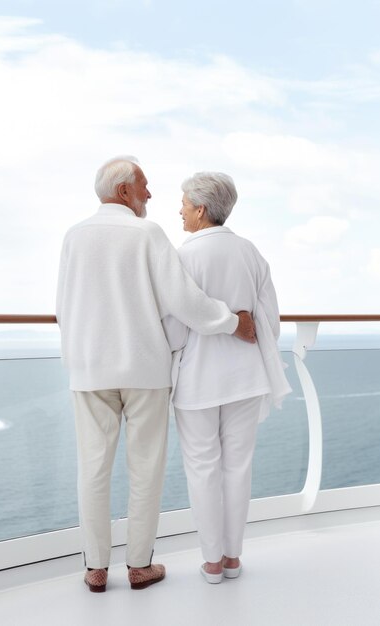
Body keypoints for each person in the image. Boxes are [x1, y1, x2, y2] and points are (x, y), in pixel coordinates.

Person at [56, 157, 257, 593]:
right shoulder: (147, 233)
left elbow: (63, 307)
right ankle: (139, 566)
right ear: (124, 191)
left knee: (92, 467)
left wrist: (75, 356)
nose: (150, 195)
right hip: (145, 368)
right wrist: (231, 322)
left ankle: (95, 567)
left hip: (89, 369)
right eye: (144, 187)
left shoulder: (74, 236)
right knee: (145, 468)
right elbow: (184, 300)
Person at [163, 171, 291, 584]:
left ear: (200, 209)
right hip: (247, 376)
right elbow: (268, 323)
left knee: (202, 468)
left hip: (197, 380)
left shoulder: (182, 257)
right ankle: (233, 558)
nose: (179, 210)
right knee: (239, 467)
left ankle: (212, 562)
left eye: (183, 203)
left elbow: (175, 329)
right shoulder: (250, 252)